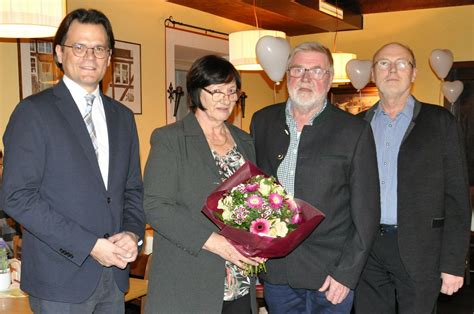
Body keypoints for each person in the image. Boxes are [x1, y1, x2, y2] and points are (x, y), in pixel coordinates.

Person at [1, 9, 145, 313]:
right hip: (60, 279)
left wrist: (132, 233)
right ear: (59, 53)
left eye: (99, 48)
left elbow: (132, 190)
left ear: (109, 57)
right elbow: (17, 197)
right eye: (79, 47)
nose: (89, 56)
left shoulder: (123, 118)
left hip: (114, 277)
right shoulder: (33, 113)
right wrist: (90, 245)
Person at [250, 42, 380, 313]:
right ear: (287, 75)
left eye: (316, 71)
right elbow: (254, 191)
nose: (306, 78)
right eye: (298, 69)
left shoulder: (354, 131)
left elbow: (366, 214)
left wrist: (346, 273)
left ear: (330, 79)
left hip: (330, 276)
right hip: (278, 273)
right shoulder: (262, 121)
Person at [354, 42, 471, 313]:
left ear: (414, 73)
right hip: (367, 250)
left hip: (421, 248)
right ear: (373, 73)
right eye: (384, 63)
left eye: (402, 63)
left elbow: (457, 198)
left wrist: (453, 264)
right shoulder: (357, 125)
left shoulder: (441, 122)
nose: (392, 69)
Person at [143, 55, 262, 314]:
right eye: (216, 91)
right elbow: (155, 207)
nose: (226, 99)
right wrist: (215, 243)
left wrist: (262, 239)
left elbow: (256, 201)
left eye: (232, 91)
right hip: (189, 279)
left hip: (239, 282)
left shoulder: (245, 141)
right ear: (197, 92)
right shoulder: (170, 139)